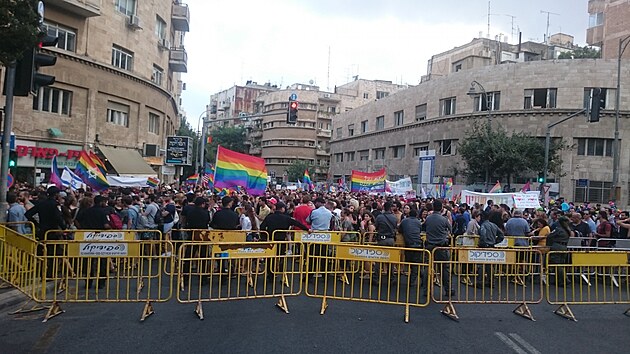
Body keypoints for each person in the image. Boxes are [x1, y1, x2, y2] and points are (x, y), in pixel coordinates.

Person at [260, 201, 310, 281]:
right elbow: (297, 223)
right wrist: (307, 229)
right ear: (282, 209)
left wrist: (264, 237)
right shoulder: (286, 218)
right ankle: (281, 271)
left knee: (270, 257)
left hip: (271, 240)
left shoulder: (269, 217)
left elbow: (262, 226)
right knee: (281, 256)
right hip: (281, 240)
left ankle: (270, 274)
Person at [75, 195, 111, 288]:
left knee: (88, 261)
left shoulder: (87, 211)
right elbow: (106, 225)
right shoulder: (102, 212)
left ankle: (88, 282)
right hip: (101, 238)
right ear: (101, 202)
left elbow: (76, 221)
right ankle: (101, 282)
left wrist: (81, 229)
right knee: (102, 261)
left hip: (88, 237)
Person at [422, 200, 453, 296]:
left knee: (428, 268)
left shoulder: (428, 218)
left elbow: (423, 227)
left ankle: (426, 291)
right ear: (441, 208)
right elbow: (450, 229)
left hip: (430, 246)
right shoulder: (444, 219)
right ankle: (448, 290)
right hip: (442, 247)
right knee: (444, 269)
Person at [476, 211, 505, 287]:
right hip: (492, 246)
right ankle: (491, 282)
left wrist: (482, 243)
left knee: (481, 265)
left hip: (484, 246)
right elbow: (501, 235)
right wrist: (495, 242)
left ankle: (480, 282)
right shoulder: (494, 225)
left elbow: (483, 235)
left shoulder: (483, 225)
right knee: (490, 265)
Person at [399, 208, 424, 286]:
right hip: (418, 244)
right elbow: (420, 230)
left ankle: (412, 281)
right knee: (416, 264)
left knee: (412, 264)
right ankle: (423, 278)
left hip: (409, 244)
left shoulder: (404, 221)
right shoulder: (418, 222)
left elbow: (400, 230)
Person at [546, 216, 572, 285]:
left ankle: (565, 279)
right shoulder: (568, 230)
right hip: (564, 246)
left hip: (557, 246)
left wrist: (548, 245)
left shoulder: (558, 229)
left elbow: (550, 236)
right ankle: (559, 280)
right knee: (561, 264)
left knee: (557, 264)